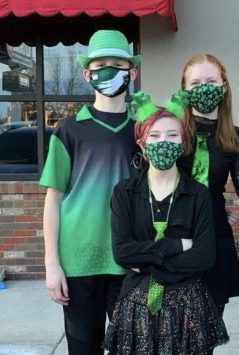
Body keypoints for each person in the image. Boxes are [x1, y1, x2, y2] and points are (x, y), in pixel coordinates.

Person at [40, 30, 141, 355]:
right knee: (84, 348)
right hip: (78, 263)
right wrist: (51, 264)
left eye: (118, 64)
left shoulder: (145, 130)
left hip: (130, 263)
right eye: (101, 65)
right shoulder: (69, 130)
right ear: (87, 74)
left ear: (132, 73)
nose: (109, 72)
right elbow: (53, 199)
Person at [104, 91, 229, 354]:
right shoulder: (124, 192)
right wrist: (177, 245)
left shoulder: (198, 194)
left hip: (188, 306)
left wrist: (151, 265)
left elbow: (204, 255)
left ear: (183, 143)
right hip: (137, 305)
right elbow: (123, 252)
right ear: (141, 142)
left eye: (172, 136)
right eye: (155, 136)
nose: (164, 142)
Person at [178, 53, 239, 313]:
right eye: (196, 83)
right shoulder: (170, 129)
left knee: (208, 323)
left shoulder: (235, 137)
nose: (203, 88)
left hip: (214, 236)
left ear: (224, 87)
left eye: (211, 81)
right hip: (172, 233)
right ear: (184, 90)